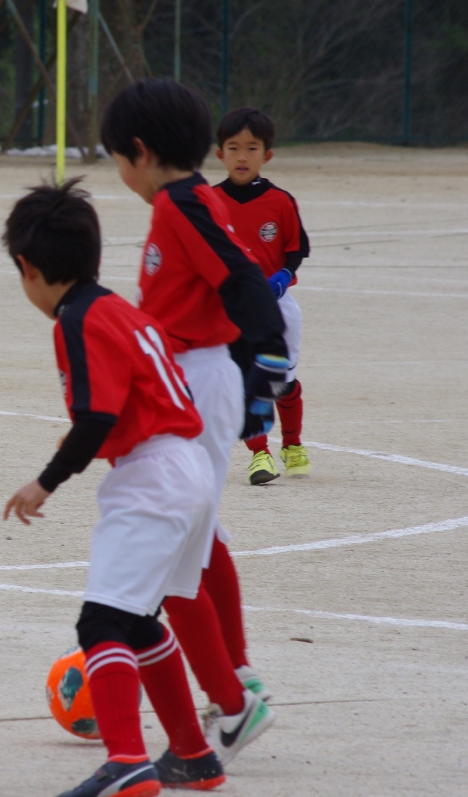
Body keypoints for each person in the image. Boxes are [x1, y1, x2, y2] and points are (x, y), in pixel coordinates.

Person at [3, 181, 226, 796]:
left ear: (27, 267)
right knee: (140, 620)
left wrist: (46, 482)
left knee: (100, 623)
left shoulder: (75, 319)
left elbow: (98, 416)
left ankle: (126, 761)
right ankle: (194, 755)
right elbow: (128, 401)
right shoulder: (122, 310)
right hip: (189, 467)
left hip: (152, 477)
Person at [101, 78, 286, 767]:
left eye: (116, 159)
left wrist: (268, 357)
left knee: (176, 553)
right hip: (193, 379)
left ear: (140, 152)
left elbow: (241, 276)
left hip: (195, 383)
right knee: (200, 540)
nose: (119, 173)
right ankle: (234, 680)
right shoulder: (192, 199)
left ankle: (232, 702)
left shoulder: (183, 206)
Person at [213, 107, 312, 485]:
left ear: (266, 155)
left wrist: (284, 275)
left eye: (251, 148)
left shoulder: (280, 201)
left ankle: (292, 444)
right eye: (233, 148)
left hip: (277, 306)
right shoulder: (208, 201)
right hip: (231, 306)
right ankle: (259, 455)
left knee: (282, 381)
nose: (242, 157)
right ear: (219, 153)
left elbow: (297, 248)